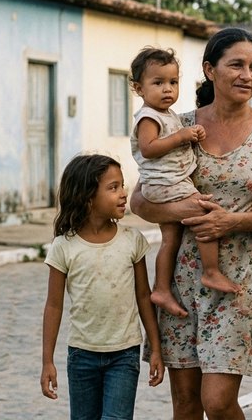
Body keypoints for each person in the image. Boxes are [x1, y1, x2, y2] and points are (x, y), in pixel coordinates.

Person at [130, 27, 252, 420]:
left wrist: (231, 222)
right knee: (186, 404)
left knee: (218, 402)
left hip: (238, 283)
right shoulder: (176, 126)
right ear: (210, 70)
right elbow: (140, 200)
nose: (247, 75)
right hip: (179, 283)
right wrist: (187, 212)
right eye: (237, 65)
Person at [40, 154, 164, 418]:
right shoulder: (64, 246)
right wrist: (47, 361)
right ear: (87, 197)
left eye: (122, 185)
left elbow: (144, 296)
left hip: (124, 354)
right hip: (81, 355)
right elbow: (53, 306)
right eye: (113, 187)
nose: (123, 193)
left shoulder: (132, 240)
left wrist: (155, 347)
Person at [129, 47, 239, 319]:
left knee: (170, 237)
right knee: (204, 211)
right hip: (166, 184)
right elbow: (148, 149)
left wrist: (189, 134)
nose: (167, 89)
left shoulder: (168, 114)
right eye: (158, 83)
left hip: (168, 182)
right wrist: (181, 137)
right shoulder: (148, 117)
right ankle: (211, 271)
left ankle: (161, 289)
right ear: (139, 88)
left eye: (173, 82)